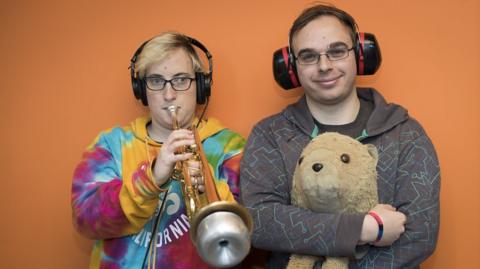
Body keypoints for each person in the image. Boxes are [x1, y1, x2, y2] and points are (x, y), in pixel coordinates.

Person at [240, 4, 440, 269]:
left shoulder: (406, 135)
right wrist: (364, 228)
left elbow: (419, 236)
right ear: (292, 68)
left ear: (359, 55)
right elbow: (260, 221)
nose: (324, 66)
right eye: (309, 56)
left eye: (336, 51)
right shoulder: (270, 136)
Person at [71, 32, 246, 268]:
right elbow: (85, 220)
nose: (169, 94)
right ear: (141, 90)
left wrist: (208, 188)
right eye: (156, 81)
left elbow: (248, 230)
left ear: (201, 85)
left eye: (181, 79)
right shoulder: (111, 145)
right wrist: (151, 179)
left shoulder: (229, 148)